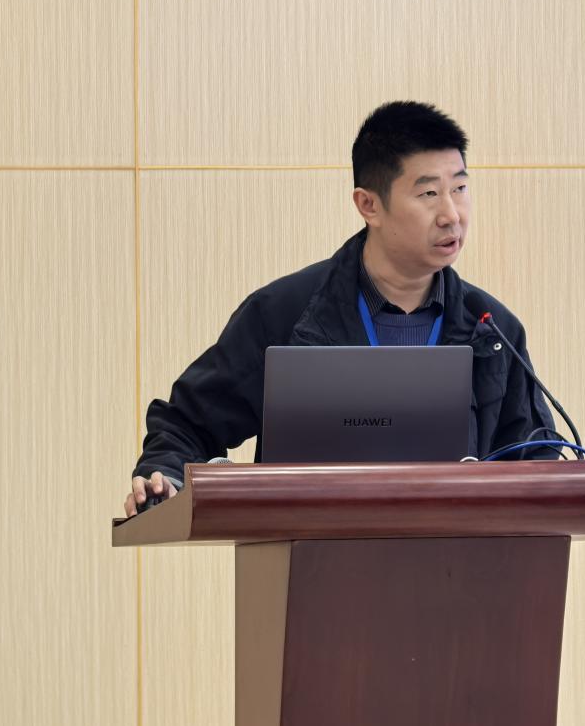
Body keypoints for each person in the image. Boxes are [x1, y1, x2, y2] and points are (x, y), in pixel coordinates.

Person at [123, 101, 558, 517]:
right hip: (307, 559)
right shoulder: (285, 313)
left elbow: (537, 457)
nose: (452, 214)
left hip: (458, 562)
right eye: (428, 193)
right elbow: (188, 425)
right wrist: (164, 477)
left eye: (460, 189)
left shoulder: (493, 331)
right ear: (369, 205)